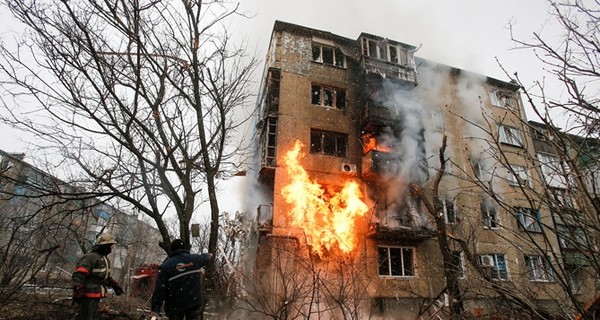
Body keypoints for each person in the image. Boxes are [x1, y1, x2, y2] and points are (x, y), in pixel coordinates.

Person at [151, 239, 212, 320]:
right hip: (194, 302)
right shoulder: (194, 259)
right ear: (184, 248)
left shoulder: (166, 266)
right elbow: (205, 257)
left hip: (175, 306)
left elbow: (159, 289)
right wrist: (209, 255)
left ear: (172, 249)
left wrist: (156, 308)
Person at [72, 234, 124, 320]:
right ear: (104, 246)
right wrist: (78, 289)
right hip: (87, 295)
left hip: (96, 295)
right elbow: (79, 274)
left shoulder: (105, 259)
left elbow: (104, 277)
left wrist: (114, 285)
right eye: (110, 246)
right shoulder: (90, 257)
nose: (111, 248)